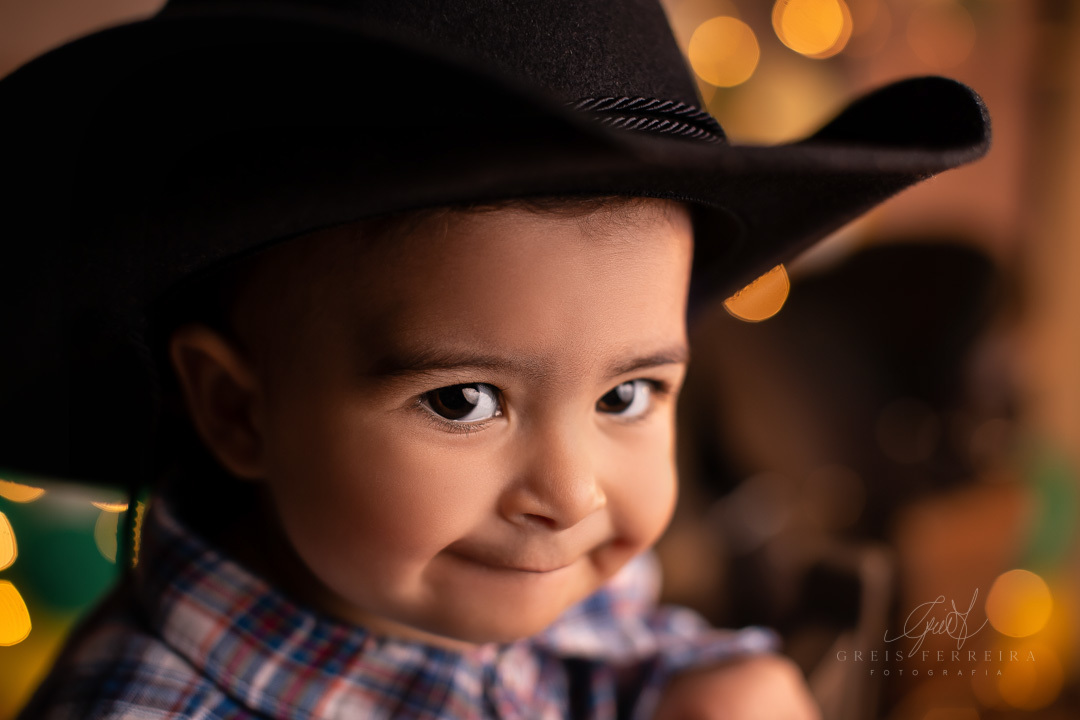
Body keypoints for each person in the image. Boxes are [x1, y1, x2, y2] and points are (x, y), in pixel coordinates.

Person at [0, 0, 989, 717]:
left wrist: (719, 688)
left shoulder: (534, 589)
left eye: (628, 395)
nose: (569, 494)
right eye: (465, 401)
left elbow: (627, 648)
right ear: (236, 409)